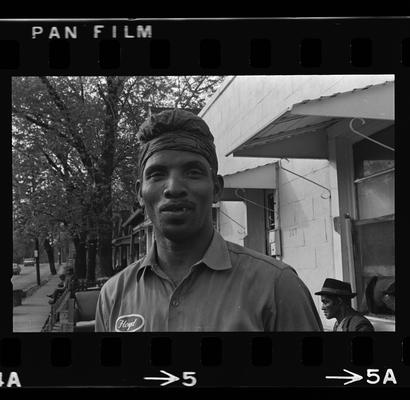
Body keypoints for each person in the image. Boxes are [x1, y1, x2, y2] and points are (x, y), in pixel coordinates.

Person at [95, 109, 323, 332]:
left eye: (192, 172)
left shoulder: (277, 287)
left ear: (216, 188)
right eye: (157, 174)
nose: (173, 188)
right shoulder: (113, 296)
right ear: (140, 193)